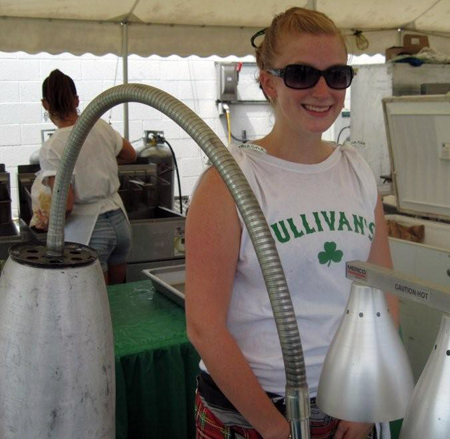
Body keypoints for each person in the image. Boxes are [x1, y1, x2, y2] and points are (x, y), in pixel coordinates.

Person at [185, 7, 398, 439]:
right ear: (268, 82)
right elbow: (204, 326)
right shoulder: (229, 180)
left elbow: (382, 296)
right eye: (301, 74)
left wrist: (365, 402)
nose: (323, 90)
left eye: (337, 75)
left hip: (348, 404)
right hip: (254, 412)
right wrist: (277, 429)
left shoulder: (357, 170)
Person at [38, 69, 137, 285]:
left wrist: (47, 223)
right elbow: (131, 154)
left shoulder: (52, 148)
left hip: (90, 230)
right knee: (119, 299)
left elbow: (66, 204)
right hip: (120, 222)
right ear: (76, 100)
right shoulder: (99, 125)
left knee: (96, 306)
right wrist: (100, 160)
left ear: (45, 104)